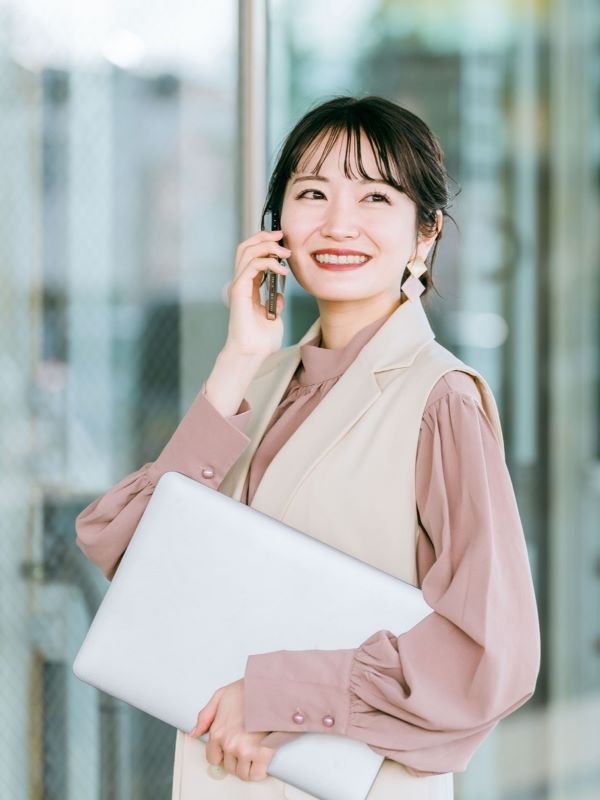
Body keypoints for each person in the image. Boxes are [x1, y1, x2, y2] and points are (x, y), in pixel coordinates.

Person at [75, 95, 540, 800]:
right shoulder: (260, 380)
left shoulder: (440, 399)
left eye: (376, 196)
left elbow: (492, 651)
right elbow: (125, 551)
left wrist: (281, 692)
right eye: (312, 193)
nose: (338, 223)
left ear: (425, 235)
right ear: (277, 227)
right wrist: (237, 359)